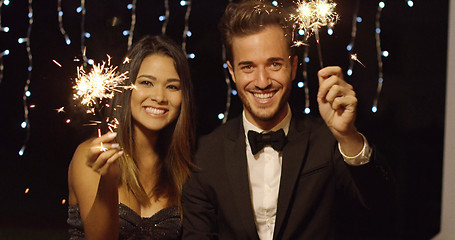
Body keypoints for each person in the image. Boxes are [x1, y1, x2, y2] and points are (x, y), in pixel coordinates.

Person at [181, 1, 393, 239]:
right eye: (248, 67)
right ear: (232, 72)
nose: (262, 81)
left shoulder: (329, 140)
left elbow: (381, 204)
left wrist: (347, 135)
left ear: (293, 67)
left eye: (274, 64)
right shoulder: (205, 155)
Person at [67, 35, 196, 239]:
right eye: (146, 83)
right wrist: (108, 181)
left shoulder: (186, 168)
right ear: (126, 88)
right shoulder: (93, 154)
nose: (160, 97)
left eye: (172, 86)